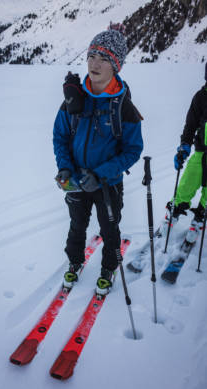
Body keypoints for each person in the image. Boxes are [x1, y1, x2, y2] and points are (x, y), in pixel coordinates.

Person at [53, 23, 143, 295]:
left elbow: (133, 150)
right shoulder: (73, 100)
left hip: (108, 184)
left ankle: (108, 267)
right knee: (77, 225)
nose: (95, 63)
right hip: (77, 181)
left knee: (110, 228)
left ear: (115, 65)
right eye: (92, 55)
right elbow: (60, 137)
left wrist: (102, 174)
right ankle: (75, 261)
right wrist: (65, 168)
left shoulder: (124, 107)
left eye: (104, 58)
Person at [163, 62, 207, 238]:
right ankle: (175, 210)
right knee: (188, 182)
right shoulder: (201, 97)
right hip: (201, 150)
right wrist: (184, 146)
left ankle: (201, 215)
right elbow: (190, 125)